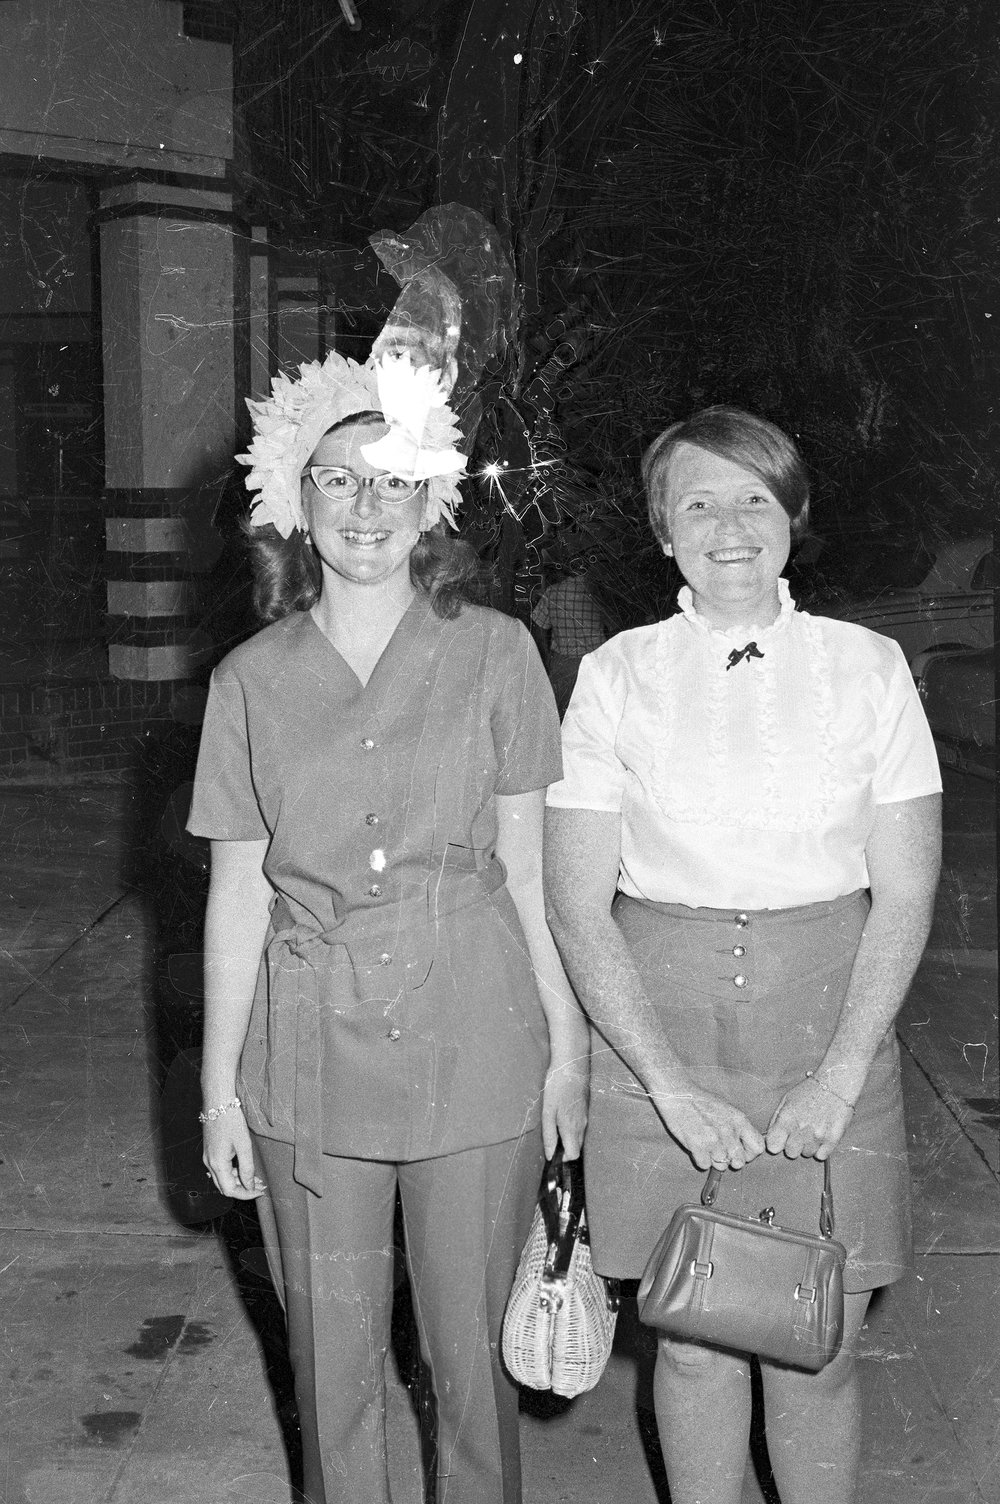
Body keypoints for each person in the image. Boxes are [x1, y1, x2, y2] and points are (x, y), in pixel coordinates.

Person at [188, 347, 589, 1504]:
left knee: (472, 1372)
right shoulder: (248, 680)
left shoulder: (499, 652)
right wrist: (221, 1093)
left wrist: (566, 1050)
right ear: (293, 503)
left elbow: (527, 865)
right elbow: (239, 892)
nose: (367, 504)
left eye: (393, 479)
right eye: (338, 479)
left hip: (477, 1038)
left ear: (433, 502)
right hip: (307, 1058)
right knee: (334, 1375)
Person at [543, 406, 942, 1504]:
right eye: (697, 502)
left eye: (754, 496)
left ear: (793, 516)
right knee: (693, 1335)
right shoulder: (615, 676)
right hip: (656, 1032)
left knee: (815, 1338)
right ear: (663, 533)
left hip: (829, 1027)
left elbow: (904, 888)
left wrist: (842, 1070)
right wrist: (664, 1086)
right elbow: (578, 906)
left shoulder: (868, 668)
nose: (729, 525)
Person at [530, 549, 608, 718]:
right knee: (594, 715)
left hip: (563, 663)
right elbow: (615, 625)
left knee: (560, 715)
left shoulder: (552, 592)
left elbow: (539, 628)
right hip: (595, 662)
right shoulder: (598, 592)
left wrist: (546, 658)